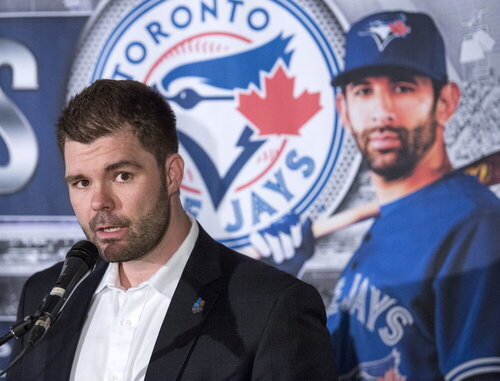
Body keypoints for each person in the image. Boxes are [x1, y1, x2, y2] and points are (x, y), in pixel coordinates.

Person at [6, 79, 336, 381]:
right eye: (81, 182)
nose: (98, 202)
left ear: (172, 175)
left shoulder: (270, 308)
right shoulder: (45, 297)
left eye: (122, 175)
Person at [327, 10, 500, 380]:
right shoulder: (380, 233)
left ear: (446, 102)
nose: (381, 112)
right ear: (344, 110)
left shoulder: (474, 225)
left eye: (403, 87)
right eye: (363, 91)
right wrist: (278, 287)